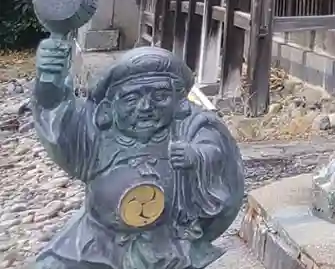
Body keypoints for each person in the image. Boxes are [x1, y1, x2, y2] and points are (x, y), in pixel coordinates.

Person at [31, 42, 244, 269]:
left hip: (169, 241)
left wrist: (196, 157)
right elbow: (59, 123)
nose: (145, 107)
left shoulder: (188, 128)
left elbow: (215, 150)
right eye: (131, 99)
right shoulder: (97, 132)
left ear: (179, 101)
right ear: (110, 106)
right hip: (97, 239)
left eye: (160, 96)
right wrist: (50, 82)